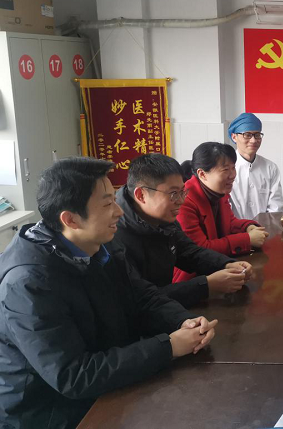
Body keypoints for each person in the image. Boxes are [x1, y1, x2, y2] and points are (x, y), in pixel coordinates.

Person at [0, 157, 218, 428]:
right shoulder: (28, 284)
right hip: (52, 413)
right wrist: (169, 346)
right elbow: (74, 375)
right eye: (107, 204)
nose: (119, 212)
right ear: (71, 219)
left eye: (114, 200)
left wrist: (183, 321)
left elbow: (142, 296)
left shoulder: (101, 244)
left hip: (108, 389)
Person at [110, 153, 252, 308]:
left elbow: (189, 252)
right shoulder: (115, 237)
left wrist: (227, 264)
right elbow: (141, 298)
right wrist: (206, 285)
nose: (181, 201)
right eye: (173, 194)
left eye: (182, 192)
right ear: (141, 195)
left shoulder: (162, 218)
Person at [174, 142, 268, 282]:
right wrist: (247, 239)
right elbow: (200, 249)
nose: (232, 175)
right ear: (202, 174)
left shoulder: (218, 191)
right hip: (195, 278)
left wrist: (248, 226)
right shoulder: (185, 201)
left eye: (233, 168)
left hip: (221, 266)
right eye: (225, 170)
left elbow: (230, 222)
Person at [228, 112, 283, 219]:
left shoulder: (270, 168)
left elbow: (276, 208)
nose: (253, 140)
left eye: (257, 135)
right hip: (234, 228)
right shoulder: (226, 168)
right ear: (234, 137)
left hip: (264, 228)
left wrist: (265, 228)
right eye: (247, 135)